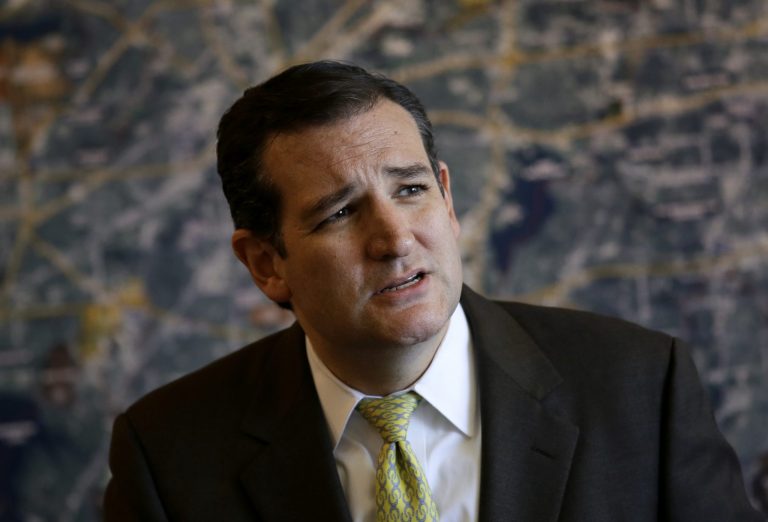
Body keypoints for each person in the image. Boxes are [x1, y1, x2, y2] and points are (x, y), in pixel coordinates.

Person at [103, 60, 764, 522]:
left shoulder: (642, 389)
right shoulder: (169, 452)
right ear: (266, 263)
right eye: (339, 213)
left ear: (447, 199)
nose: (394, 239)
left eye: (411, 190)